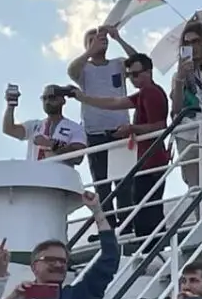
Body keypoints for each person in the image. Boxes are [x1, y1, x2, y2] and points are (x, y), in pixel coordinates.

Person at [70, 54, 171, 245]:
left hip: (152, 159)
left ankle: (150, 248)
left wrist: (131, 128)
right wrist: (83, 98)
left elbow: (160, 126)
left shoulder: (150, 92)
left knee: (147, 209)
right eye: (130, 75)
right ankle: (149, 247)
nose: (132, 79)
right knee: (144, 207)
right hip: (147, 158)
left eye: (136, 74)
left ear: (149, 72)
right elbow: (114, 103)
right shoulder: (145, 93)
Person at [67, 25, 138, 228]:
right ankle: (107, 225)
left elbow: (138, 62)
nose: (100, 40)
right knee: (102, 183)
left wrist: (118, 38)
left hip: (121, 131)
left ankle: (127, 225)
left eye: (101, 38)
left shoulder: (118, 64)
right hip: (95, 133)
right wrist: (90, 51)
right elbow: (71, 70)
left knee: (125, 182)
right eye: (92, 39)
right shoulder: (84, 68)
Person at [170, 20, 202, 188]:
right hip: (187, 132)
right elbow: (176, 108)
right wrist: (180, 78)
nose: (192, 46)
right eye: (187, 43)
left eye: (196, 41)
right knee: (195, 186)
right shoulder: (178, 75)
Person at [2, 84, 87, 163]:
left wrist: (51, 144)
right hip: (34, 173)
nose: (47, 102)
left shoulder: (75, 128)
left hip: (59, 173)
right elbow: (9, 129)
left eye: (52, 97)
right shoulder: (34, 125)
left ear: (62, 101)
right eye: (44, 98)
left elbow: (78, 157)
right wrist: (10, 105)